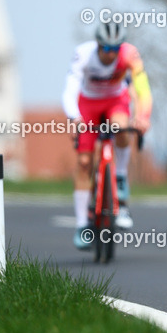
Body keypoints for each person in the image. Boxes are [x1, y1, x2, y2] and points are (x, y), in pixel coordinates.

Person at [62, 20, 152, 249]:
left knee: (122, 127)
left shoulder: (130, 54)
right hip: (88, 105)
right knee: (84, 162)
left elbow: (142, 88)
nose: (112, 54)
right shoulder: (83, 54)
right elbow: (71, 88)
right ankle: (83, 224)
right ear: (98, 45)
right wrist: (74, 117)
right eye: (107, 49)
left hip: (115, 101)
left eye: (116, 49)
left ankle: (119, 176)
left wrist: (143, 117)